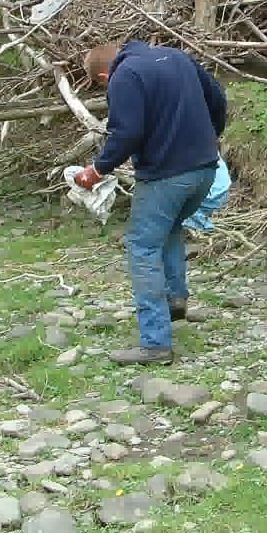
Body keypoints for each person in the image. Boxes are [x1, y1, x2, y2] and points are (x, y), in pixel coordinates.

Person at [74, 40, 227, 365]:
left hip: (165, 176)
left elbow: (126, 132)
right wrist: (211, 138)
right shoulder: (176, 56)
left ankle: (155, 343)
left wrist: (97, 170)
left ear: (103, 76)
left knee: (142, 246)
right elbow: (217, 97)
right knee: (170, 228)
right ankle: (174, 298)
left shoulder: (124, 75)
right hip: (204, 170)